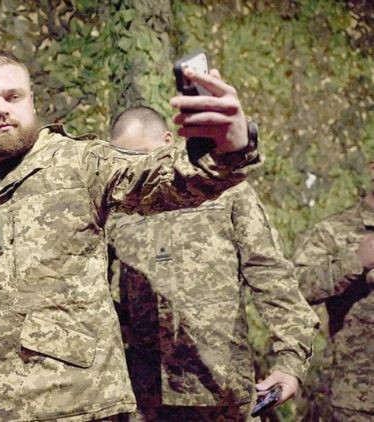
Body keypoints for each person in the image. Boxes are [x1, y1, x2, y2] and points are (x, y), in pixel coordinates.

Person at [0, 48, 261, 421]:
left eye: (13, 96)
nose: (1, 109)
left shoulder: (82, 163)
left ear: (31, 100)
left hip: (82, 408)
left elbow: (158, 178)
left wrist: (227, 148)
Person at [106, 106, 318, 421]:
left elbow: (271, 275)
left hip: (223, 393)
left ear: (168, 142)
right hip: (144, 397)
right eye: (124, 160)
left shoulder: (226, 192)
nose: (136, 169)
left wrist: (290, 362)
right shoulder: (117, 209)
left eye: (141, 156)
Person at [292, 159, 374, 422]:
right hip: (359, 400)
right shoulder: (333, 230)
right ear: (372, 167)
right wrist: (355, 262)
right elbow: (294, 288)